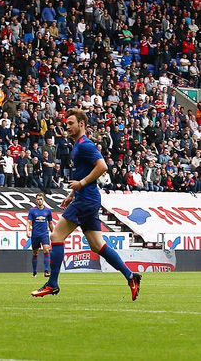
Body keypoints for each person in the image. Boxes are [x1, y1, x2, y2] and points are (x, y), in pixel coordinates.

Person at [32, 109, 142, 300]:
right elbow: (83, 173)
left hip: (87, 199)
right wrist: (72, 193)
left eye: (71, 123)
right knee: (97, 245)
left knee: (56, 236)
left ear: (82, 124)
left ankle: (52, 284)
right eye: (66, 124)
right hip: (86, 198)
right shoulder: (77, 146)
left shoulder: (85, 145)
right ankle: (131, 276)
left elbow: (103, 166)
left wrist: (81, 185)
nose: (67, 127)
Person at [27, 193, 54, 278]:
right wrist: (27, 231)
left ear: (43, 200)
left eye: (41, 199)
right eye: (38, 199)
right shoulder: (32, 211)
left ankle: (46, 271)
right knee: (35, 252)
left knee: (46, 249)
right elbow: (28, 222)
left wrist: (53, 233)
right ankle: (34, 272)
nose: (40, 201)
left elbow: (50, 223)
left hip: (44, 234)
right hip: (35, 234)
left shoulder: (48, 211)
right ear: (36, 200)